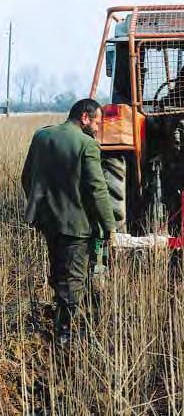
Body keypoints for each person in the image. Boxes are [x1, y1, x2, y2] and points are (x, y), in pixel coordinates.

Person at [21, 98, 116, 343]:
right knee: (73, 280)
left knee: (59, 272)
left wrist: (42, 210)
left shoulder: (42, 137)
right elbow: (97, 189)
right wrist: (109, 226)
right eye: (96, 122)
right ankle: (65, 334)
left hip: (48, 222)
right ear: (85, 117)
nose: (97, 128)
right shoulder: (86, 144)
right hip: (76, 226)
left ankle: (64, 324)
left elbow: (26, 177)